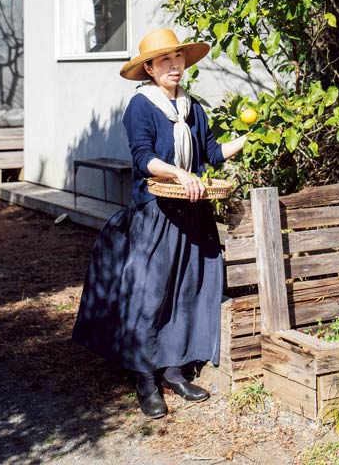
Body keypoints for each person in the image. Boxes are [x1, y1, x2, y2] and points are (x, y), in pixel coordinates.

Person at [72, 28, 247, 418]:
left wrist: (250, 139)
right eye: (165, 60)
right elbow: (142, 158)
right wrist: (176, 174)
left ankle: (175, 370)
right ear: (149, 68)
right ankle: (146, 380)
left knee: (187, 292)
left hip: (194, 213)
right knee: (149, 295)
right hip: (156, 213)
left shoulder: (193, 108)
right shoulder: (142, 106)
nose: (174, 66)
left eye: (178, 58)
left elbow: (212, 153)